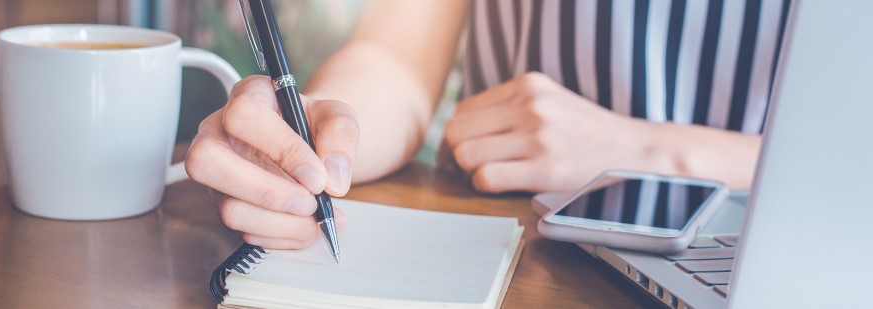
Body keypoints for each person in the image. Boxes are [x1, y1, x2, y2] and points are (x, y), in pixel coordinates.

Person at [185, 0, 790, 249]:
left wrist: (652, 150)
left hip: (769, 243)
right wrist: (317, 129)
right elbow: (397, 57)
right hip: (517, 245)